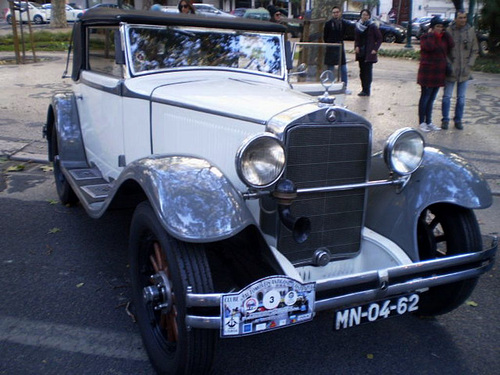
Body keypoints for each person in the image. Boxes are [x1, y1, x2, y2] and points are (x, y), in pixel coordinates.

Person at [441, 10, 478, 130]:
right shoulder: (449, 31)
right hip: (451, 69)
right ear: (455, 19)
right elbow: (444, 50)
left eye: (464, 18)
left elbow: (475, 49)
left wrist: (470, 64)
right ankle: (445, 119)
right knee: (447, 97)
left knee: (461, 98)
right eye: (460, 18)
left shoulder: (470, 31)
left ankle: (458, 120)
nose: (463, 20)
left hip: (464, 70)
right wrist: (448, 64)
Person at [417, 17, 454, 132]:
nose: (440, 29)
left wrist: (446, 33)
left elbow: (451, 45)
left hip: (439, 72)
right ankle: (422, 122)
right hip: (427, 72)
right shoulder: (426, 37)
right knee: (425, 98)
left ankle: (429, 121)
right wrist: (432, 35)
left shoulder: (443, 38)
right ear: (432, 27)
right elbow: (429, 47)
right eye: (437, 26)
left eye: (441, 26)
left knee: (432, 98)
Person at [323, 6, 351, 94]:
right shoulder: (328, 24)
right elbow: (325, 36)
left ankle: (344, 86)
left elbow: (347, 33)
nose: (336, 14)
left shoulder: (343, 23)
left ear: (340, 13)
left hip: (340, 46)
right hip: (331, 47)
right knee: (331, 68)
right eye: (334, 12)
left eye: (337, 12)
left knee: (343, 68)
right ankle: (332, 86)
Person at [354, 9, 382, 96]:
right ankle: (363, 89)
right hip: (361, 52)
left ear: (369, 16)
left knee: (368, 72)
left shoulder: (372, 26)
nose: (364, 16)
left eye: (366, 15)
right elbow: (357, 38)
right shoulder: (358, 26)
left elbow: (379, 38)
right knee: (362, 71)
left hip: (369, 52)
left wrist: (375, 49)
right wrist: (356, 46)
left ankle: (367, 90)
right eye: (363, 15)